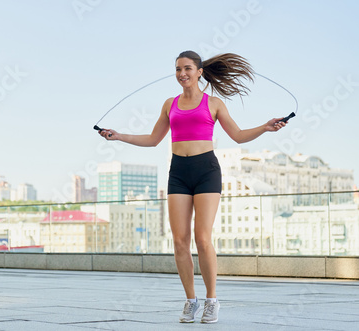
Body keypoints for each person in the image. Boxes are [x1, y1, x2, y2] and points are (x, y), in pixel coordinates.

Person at [99, 51, 287, 323]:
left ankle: (212, 300)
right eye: (177, 69)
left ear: (199, 71)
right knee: (179, 241)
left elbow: (238, 135)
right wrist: (119, 136)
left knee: (202, 237)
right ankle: (191, 301)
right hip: (178, 172)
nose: (181, 73)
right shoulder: (169, 104)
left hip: (206, 171)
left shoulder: (214, 103)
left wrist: (265, 127)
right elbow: (153, 139)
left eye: (187, 68)